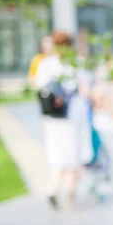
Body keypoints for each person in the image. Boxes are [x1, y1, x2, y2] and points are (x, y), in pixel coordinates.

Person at [35, 32, 93, 210]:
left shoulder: (46, 64)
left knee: (57, 153)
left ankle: (55, 189)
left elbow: (40, 89)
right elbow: (85, 90)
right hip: (72, 115)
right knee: (72, 154)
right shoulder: (76, 63)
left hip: (54, 116)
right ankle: (69, 193)